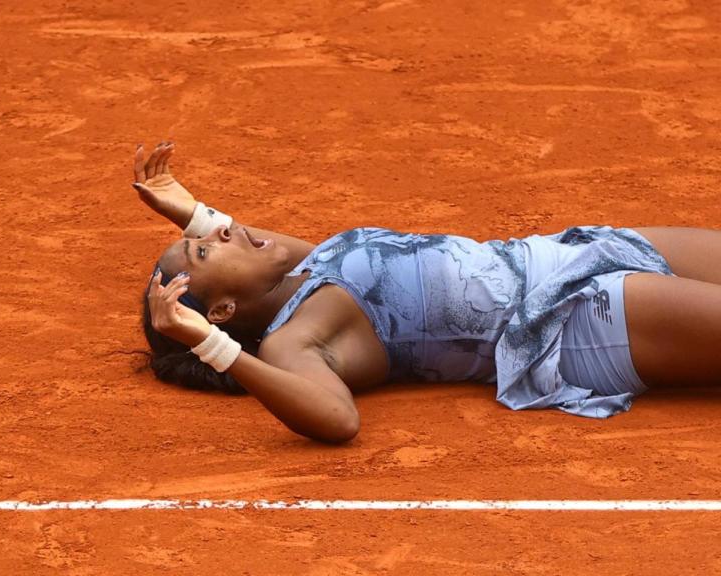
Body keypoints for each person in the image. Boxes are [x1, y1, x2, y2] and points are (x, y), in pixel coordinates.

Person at [136, 141, 721, 443]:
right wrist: (206, 341)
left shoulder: (305, 265)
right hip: (568, 322)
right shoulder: (296, 341)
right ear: (223, 311)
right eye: (207, 250)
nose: (226, 230)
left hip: (569, 253)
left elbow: (256, 246)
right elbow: (338, 421)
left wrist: (190, 215)